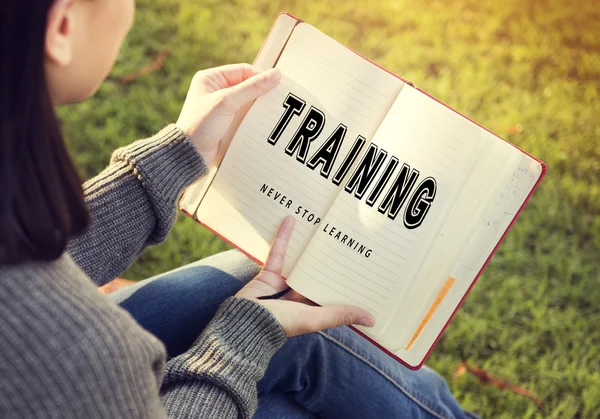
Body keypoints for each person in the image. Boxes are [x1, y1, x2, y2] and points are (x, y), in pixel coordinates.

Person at [0, 0, 476, 418]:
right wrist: (240, 340)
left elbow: (23, 257)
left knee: (253, 285)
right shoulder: (81, 348)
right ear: (62, 27)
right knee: (293, 351)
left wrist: (174, 157)